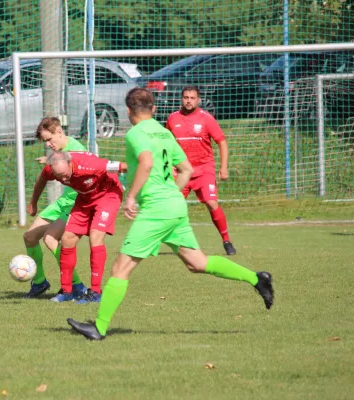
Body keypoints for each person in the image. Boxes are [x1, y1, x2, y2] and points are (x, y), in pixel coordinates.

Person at [67, 88, 274, 340]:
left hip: (157, 209)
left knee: (120, 268)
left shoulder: (136, 133)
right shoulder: (164, 132)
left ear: (128, 111)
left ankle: (98, 328)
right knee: (197, 263)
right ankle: (257, 278)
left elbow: (146, 162)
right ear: (153, 109)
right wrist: (172, 195)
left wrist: (131, 197)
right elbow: (186, 169)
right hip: (174, 205)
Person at [28, 150, 125, 303]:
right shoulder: (51, 169)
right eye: (60, 177)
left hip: (108, 194)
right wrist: (33, 202)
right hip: (85, 197)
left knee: (95, 236)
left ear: (70, 163)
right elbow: (41, 180)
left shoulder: (91, 165)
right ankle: (68, 291)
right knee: (67, 239)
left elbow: (123, 166)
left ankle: (95, 292)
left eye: (66, 174)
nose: (64, 179)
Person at [23, 117, 89, 299]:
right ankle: (39, 282)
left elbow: (79, 161)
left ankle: (77, 286)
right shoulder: (58, 154)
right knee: (29, 237)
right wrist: (33, 203)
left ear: (59, 131)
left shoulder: (76, 150)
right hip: (63, 203)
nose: (49, 144)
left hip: (77, 203)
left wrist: (53, 159)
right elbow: (42, 178)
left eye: (50, 139)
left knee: (50, 240)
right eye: (45, 142)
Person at [166, 86, 236, 255]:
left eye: (192, 98)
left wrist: (223, 167)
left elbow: (222, 141)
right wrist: (167, 167)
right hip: (182, 171)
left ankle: (226, 240)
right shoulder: (173, 119)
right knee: (171, 206)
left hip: (204, 169)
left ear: (198, 100)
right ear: (181, 99)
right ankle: (168, 241)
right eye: (185, 97)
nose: (188, 100)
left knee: (211, 202)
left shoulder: (206, 119)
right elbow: (167, 145)